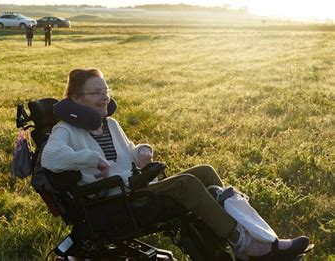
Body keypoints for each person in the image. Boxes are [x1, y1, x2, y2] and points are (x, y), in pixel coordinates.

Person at [41, 68, 310, 260]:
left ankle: (248, 237)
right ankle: (245, 243)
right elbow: (50, 158)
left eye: (106, 91)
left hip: (133, 187)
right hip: (114, 199)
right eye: (96, 92)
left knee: (205, 171)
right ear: (76, 99)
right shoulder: (67, 130)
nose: (105, 97)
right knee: (187, 185)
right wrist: (89, 159)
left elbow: (128, 155)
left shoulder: (110, 123)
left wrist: (142, 151)